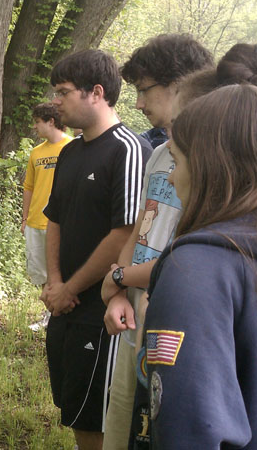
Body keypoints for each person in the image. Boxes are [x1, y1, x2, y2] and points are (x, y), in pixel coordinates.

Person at [144, 84, 257, 449]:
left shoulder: (193, 270)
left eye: (177, 160)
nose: (171, 178)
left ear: (208, 165)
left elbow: (189, 430)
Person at [99, 33, 213, 450]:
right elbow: (140, 229)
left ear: (179, 83)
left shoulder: (212, 161)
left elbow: (185, 258)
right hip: (133, 322)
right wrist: (118, 294)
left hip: (172, 332)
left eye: (144, 90)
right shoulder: (160, 154)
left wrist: (117, 275)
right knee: (120, 433)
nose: (139, 103)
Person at [42, 49, 152, 450]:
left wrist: (71, 288)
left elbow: (125, 232)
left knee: (99, 416)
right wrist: (55, 283)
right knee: (73, 406)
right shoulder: (69, 151)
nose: (56, 100)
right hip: (64, 305)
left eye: (64, 92)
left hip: (102, 307)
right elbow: (54, 218)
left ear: (97, 92)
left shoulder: (128, 149)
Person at [22, 103, 72, 288]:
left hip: (62, 224)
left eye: (37, 122)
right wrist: (24, 219)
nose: (34, 126)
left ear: (51, 121)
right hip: (35, 223)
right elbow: (29, 187)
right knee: (41, 277)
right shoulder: (36, 152)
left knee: (62, 274)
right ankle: (48, 313)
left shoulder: (73, 146)